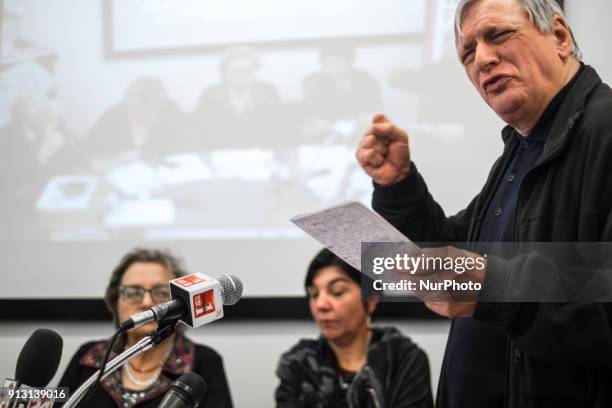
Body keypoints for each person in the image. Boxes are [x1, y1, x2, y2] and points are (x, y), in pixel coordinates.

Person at [355, 0, 612, 406]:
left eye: (498, 35)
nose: (483, 60)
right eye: (468, 53)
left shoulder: (604, 132)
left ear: (560, 36)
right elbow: (454, 253)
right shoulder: (521, 149)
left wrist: (491, 285)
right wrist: (399, 186)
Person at [58, 248, 233, 407]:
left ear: (182, 302)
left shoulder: (205, 362)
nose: (147, 302)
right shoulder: (88, 356)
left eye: (161, 292)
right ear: (115, 301)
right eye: (134, 292)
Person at [275, 248, 433, 408]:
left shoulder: (402, 359)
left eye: (337, 292)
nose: (321, 304)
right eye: (314, 294)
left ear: (371, 299)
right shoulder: (299, 364)